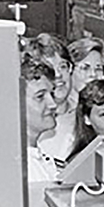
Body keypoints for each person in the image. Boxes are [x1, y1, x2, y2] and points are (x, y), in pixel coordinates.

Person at [24, 33, 77, 165]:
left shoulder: (86, 115)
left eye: (63, 66)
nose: (58, 75)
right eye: (51, 68)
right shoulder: (38, 124)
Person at [21, 55, 58, 183]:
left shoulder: (38, 159)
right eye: (40, 96)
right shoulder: (21, 167)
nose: (53, 104)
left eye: (52, 94)